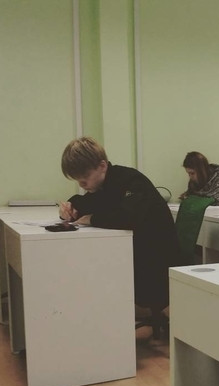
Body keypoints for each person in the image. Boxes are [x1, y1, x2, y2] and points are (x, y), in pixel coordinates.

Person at [58, 136, 180, 349]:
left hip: (157, 254)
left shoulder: (131, 181)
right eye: (78, 181)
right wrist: (70, 208)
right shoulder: (103, 185)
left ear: (102, 166)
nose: (82, 185)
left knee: (102, 271)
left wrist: (92, 219)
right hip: (136, 249)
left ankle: (176, 325)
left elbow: (127, 217)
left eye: (85, 179)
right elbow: (85, 202)